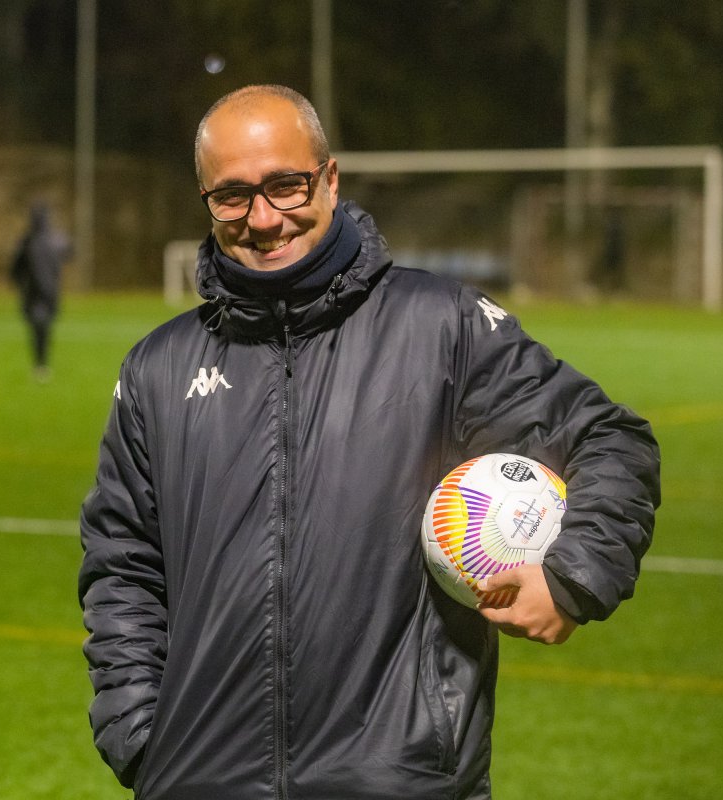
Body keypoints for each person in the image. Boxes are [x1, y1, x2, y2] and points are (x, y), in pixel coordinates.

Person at [78, 85, 660, 800]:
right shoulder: (157, 367)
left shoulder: (440, 326)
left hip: (398, 780)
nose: (263, 218)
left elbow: (609, 439)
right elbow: (123, 564)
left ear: (329, 177)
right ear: (206, 199)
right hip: (196, 775)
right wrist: (140, 734)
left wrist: (572, 578)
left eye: (285, 185)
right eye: (232, 197)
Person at [11, 200, 71, 381]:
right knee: (39, 328)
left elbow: (69, 252)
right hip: (38, 295)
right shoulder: (28, 242)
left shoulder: (50, 240)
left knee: (42, 329)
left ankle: (41, 364)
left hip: (45, 294)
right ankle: (40, 365)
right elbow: (15, 268)